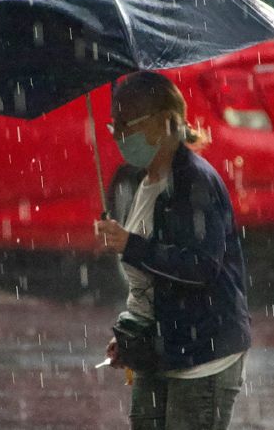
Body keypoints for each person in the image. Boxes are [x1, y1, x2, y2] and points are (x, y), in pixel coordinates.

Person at [96, 71, 252, 430]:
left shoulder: (193, 183)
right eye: (113, 125)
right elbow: (154, 285)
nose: (119, 135)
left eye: (128, 124)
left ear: (167, 122)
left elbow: (200, 267)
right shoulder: (146, 181)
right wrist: (133, 335)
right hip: (163, 353)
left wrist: (130, 244)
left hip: (202, 357)